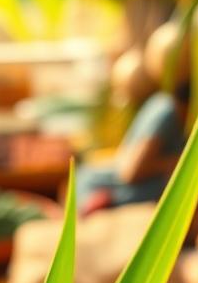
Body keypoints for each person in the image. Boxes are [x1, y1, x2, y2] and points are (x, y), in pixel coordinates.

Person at [77, 83, 191, 215]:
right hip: (98, 192)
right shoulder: (167, 110)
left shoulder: (162, 103)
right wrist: (185, 163)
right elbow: (132, 171)